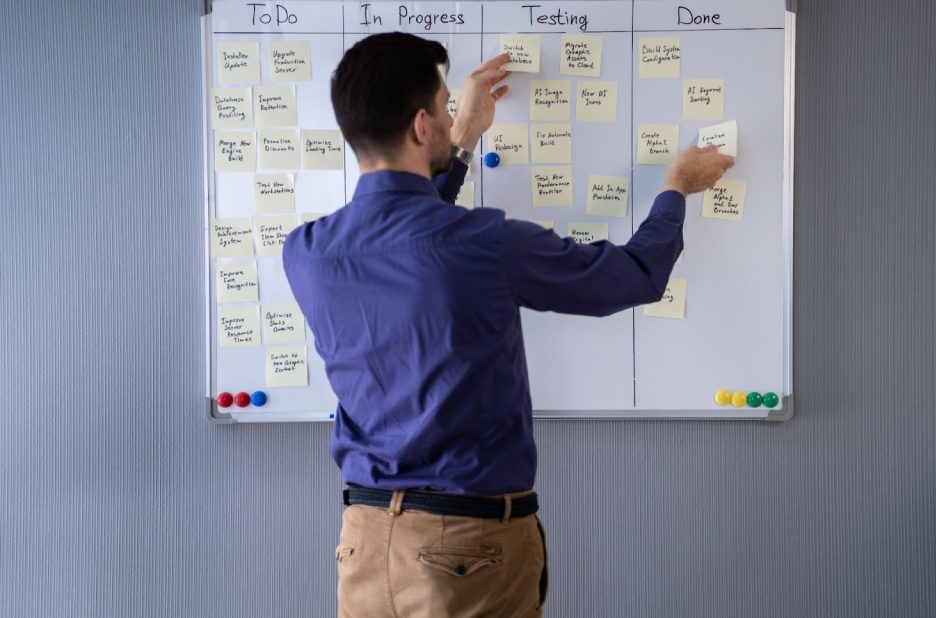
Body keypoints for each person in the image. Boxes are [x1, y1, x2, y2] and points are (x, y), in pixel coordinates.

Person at [282, 32, 733, 618]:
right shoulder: (484, 243)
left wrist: (464, 135)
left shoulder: (306, 251)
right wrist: (676, 187)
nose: (450, 117)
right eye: (444, 108)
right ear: (421, 126)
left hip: (364, 541)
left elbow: (411, 234)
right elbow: (635, 276)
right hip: (467, 549)